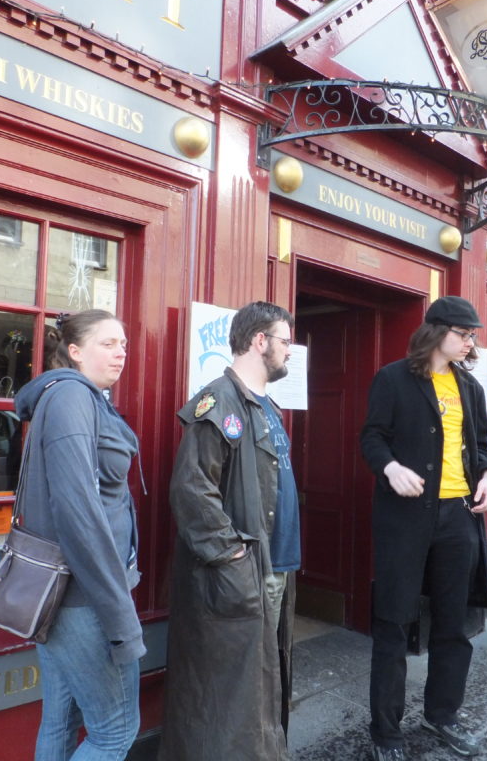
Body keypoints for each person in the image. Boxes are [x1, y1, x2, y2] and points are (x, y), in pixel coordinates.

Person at [159, 301, 299, 761]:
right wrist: (235, 558)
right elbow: (192, 491)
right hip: (242, 574)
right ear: (260, 341)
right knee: (237, 695)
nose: (289, 352)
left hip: (273, 570)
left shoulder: (266, 405)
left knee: (266, 679)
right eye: (284, 341)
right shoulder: (220, 400)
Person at [360, 296, 487, 761]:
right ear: (437, 331)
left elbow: (482, 444)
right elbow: (371, 436)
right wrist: (389, 467)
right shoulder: (394, 378)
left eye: (473, 336)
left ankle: (442, 715)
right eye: (463, 334)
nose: (469, 343)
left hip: (458, 518)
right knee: (394, 622)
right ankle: (386, 731)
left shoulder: (469, 386)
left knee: (453, 623)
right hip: (406, 518)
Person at [13, 309, 145, 761]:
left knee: (61, 720)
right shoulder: (72, 397)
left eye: (123, 343)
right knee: (115, 731)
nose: (120, 352)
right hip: (82, 597)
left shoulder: (85, 398)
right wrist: (119, 615)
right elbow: (78, 513)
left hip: (69, 593)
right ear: (74, 351)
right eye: (107, 343)